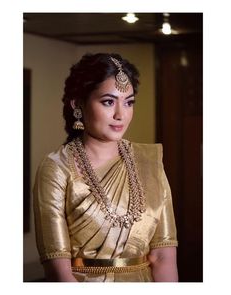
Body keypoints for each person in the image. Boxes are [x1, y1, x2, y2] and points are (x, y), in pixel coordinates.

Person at [33, 53, 178, 282]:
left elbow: (163, 256)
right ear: (78, 104)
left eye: (128, 102)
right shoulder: (57, 168)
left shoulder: (149, 162)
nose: (121, 115)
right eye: (108, 102)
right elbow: (57, 269)